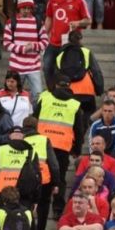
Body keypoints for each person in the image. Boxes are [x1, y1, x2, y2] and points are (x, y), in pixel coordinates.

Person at [34, 75, 84, 215]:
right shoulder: (75, 104)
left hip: (42, 144)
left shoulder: (45, 98)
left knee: (39, 173)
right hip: (63, 146)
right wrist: (77, 149)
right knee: (60, 178)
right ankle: (57, 208)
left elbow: (34, 119)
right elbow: (79, 130)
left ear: (56, 85)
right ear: (69, 86)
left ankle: (37, 203)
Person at [42, 0, 91, 89]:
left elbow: (88, 20)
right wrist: (44, 35)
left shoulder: (79, 0)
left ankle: (65, 92)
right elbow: (49, 17)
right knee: (47, 67)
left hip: (70, 44)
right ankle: (51, 90)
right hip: (54, 42)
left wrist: (78, 23)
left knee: (65, 70)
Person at [3, 0, 48, 103]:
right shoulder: (11, 22)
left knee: (38, 96)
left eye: (29, 8)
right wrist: (23, 49)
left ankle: (34, 118)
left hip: (34, 66)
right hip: (16, 66)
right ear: (19, 8)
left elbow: (45, 41)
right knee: (13, 95)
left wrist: (33, 46)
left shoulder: (38, 22)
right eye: (24, 8)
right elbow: (6, 43)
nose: (26, 11)